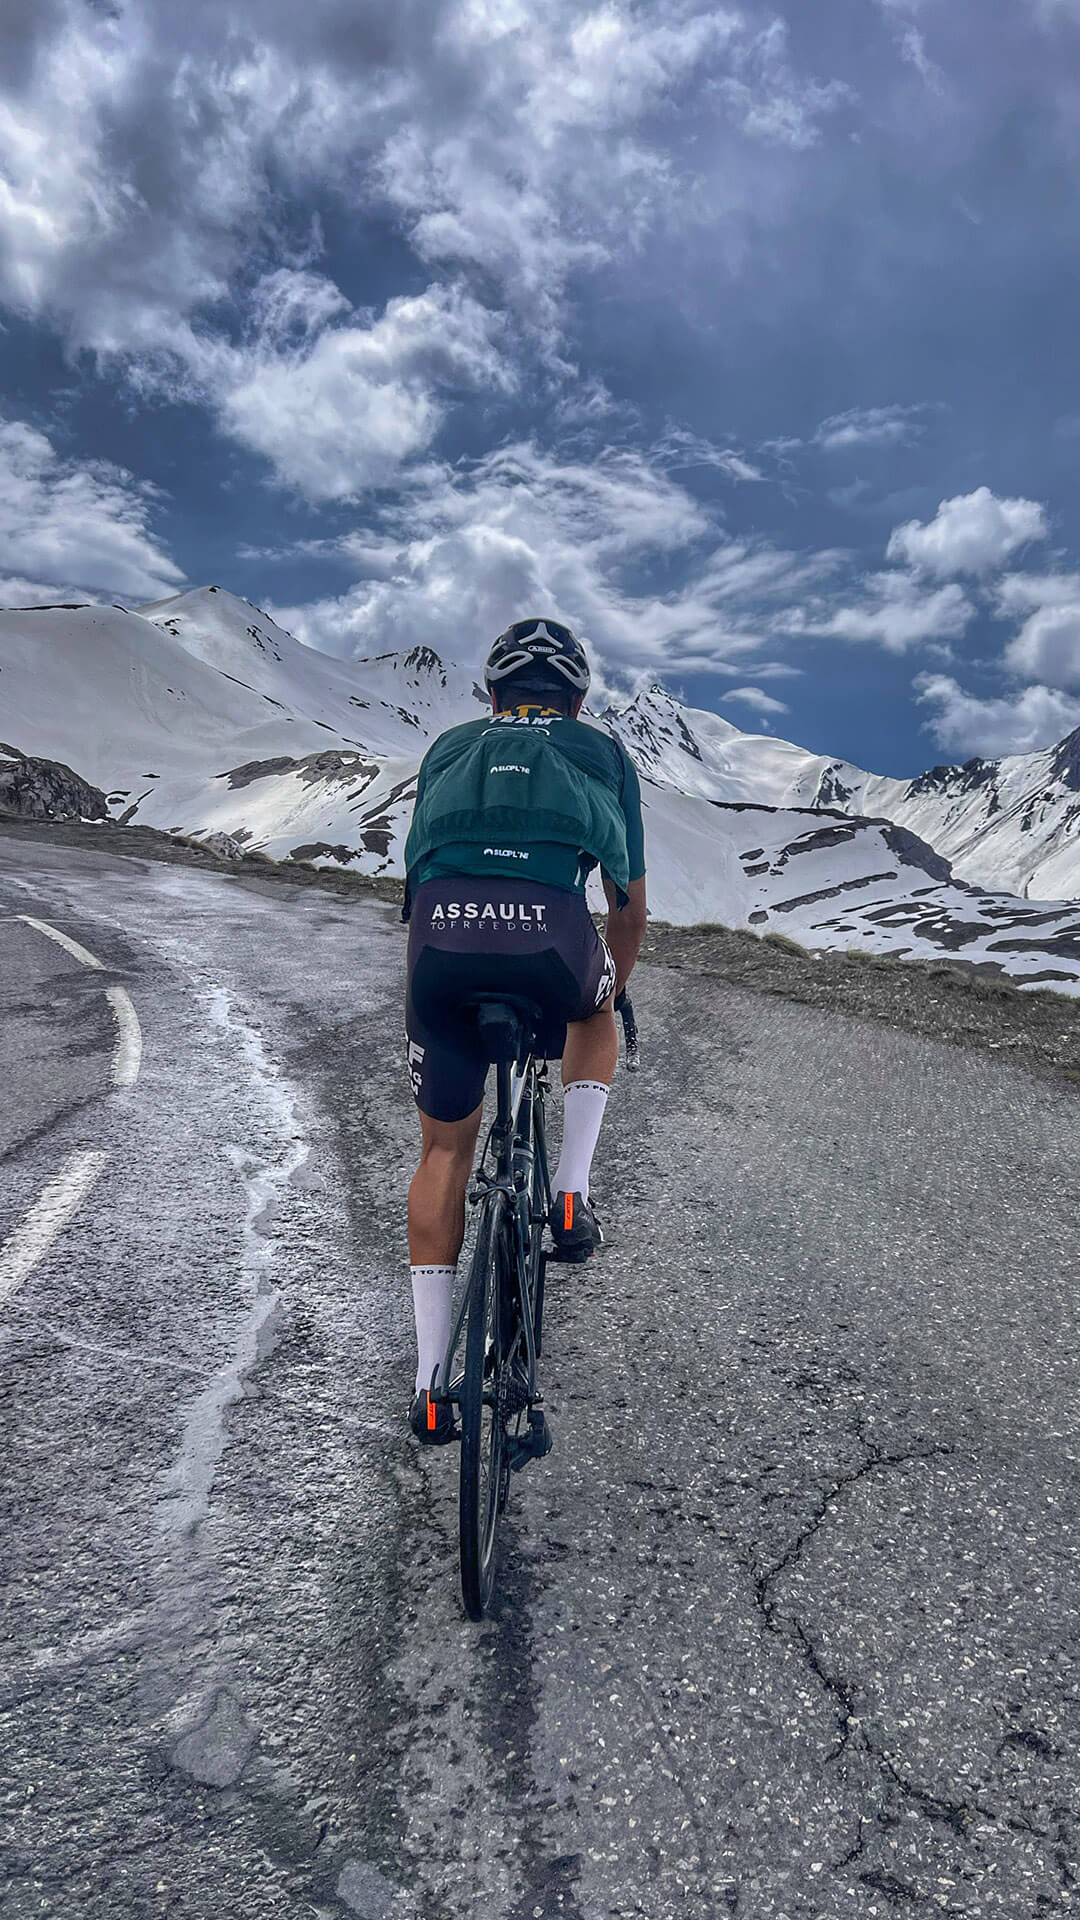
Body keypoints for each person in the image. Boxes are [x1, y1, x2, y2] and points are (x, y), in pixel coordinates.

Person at [402, 617, 648, 1443]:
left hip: (440, 940)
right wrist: (610, 991)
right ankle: (570, 1195)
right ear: (576, 702)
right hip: (549, 935)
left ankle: (430, 1386)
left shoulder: (448, 749)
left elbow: (419, 880)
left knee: (443, 1152)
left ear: (493, 696)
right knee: (595, 1007)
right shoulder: (602, 753)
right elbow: (628, 908)